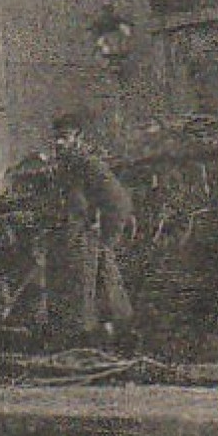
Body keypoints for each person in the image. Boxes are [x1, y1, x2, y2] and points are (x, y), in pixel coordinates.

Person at [43, 114, 135, 350]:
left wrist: (107, 240)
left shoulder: (89, 165)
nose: (59, 144)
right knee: (74, 314)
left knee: (93, 311)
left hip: (86, 250)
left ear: (79, 138)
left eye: (64, 138)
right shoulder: (64, 169)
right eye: (56, 139)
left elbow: (119, 203)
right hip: (66, 249)